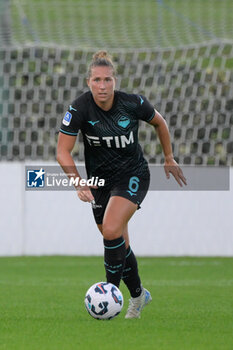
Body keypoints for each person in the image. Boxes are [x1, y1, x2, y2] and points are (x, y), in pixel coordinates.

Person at [57, 51, 186, 319]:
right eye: (96, 80)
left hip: (133, 174)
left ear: (115, 81)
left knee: (112, 229)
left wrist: (169, 157)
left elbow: (159, 123)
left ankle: (109, 296)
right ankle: (139, 296)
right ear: (88, 81)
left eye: (107, 80)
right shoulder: (79, 109)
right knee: (118, 242)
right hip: (100, 183)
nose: (102, 86)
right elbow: (62, 152)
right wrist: (78, 182)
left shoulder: (133, 103)